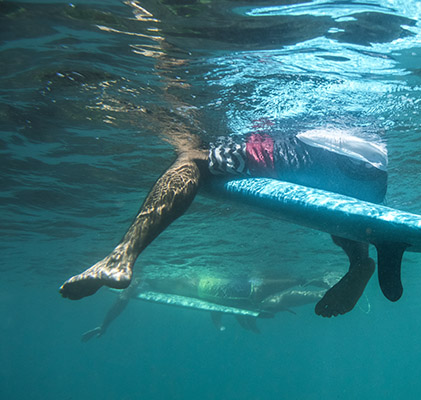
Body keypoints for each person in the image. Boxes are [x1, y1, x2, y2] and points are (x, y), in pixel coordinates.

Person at [59, 124, 388, 318]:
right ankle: (359, 259)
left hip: (322, 152)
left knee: (192, 158)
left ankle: (121, 258)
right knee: (336, 210)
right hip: (375, 172)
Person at [80, 273, 334, 342]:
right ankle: (321, 289)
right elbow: (122, 299)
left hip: (212, 289)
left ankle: (316, 283)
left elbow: (121, 301)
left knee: (260, 296)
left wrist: (104, 325)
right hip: (212, 287)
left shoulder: (139, 279)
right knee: (263, 299)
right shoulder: (142, 278)